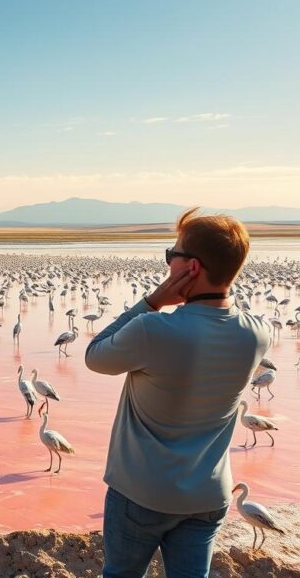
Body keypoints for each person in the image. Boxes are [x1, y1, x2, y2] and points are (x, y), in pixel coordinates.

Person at [85, 207, 270, 578]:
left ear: (192, 267)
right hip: (208, 497)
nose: (168, 263)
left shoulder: (152, 329)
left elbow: (95, 355)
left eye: (172, 254)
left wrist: (152, 300)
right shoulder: (256, 333)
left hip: (142, 493)